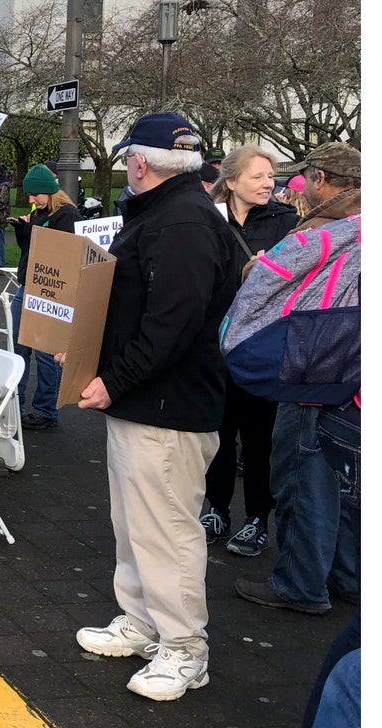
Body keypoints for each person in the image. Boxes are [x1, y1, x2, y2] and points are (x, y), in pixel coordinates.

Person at [69, 112, 240, 702]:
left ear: (139, 162)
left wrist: (114, 380)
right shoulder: (178, 215)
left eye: (125, 160)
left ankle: (185, 648)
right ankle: (144, 623)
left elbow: (172, 324)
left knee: (166, 529)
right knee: (136, 523)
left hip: (168, 406)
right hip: (151, 402)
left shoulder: (182, 224)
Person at [233, 141, 360, 614]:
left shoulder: (325, 233)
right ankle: (347, 577)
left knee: (303, 482)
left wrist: (255, 265)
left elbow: (264, 278)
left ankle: (300, 585)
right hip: (357, 384)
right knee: (345, 488)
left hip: (314, 375)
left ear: (322, 180)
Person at [198, 146, 299, 556]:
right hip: (217, 344)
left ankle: (258, 518)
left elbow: (297, 282)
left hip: (262, 347)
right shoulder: (208, 218)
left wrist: (270, 276)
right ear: (232, 179)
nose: (267, 183)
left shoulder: (287, 222)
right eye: (257, 176)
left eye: (270, 176)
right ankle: (217, 509)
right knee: (217, 435)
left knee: (260, 440)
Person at [8, 164, 80, 430]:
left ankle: (45, 410)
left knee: (46, 355)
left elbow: (60, 251)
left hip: (50, 292)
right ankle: (15, 404)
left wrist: (29, 231)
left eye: (35, 194)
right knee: (19, 349)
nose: (31, 200)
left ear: (50, 191)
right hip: (27, 286)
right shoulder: (39, 212)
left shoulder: (67, 215)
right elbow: (30, 248)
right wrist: (21, 229)